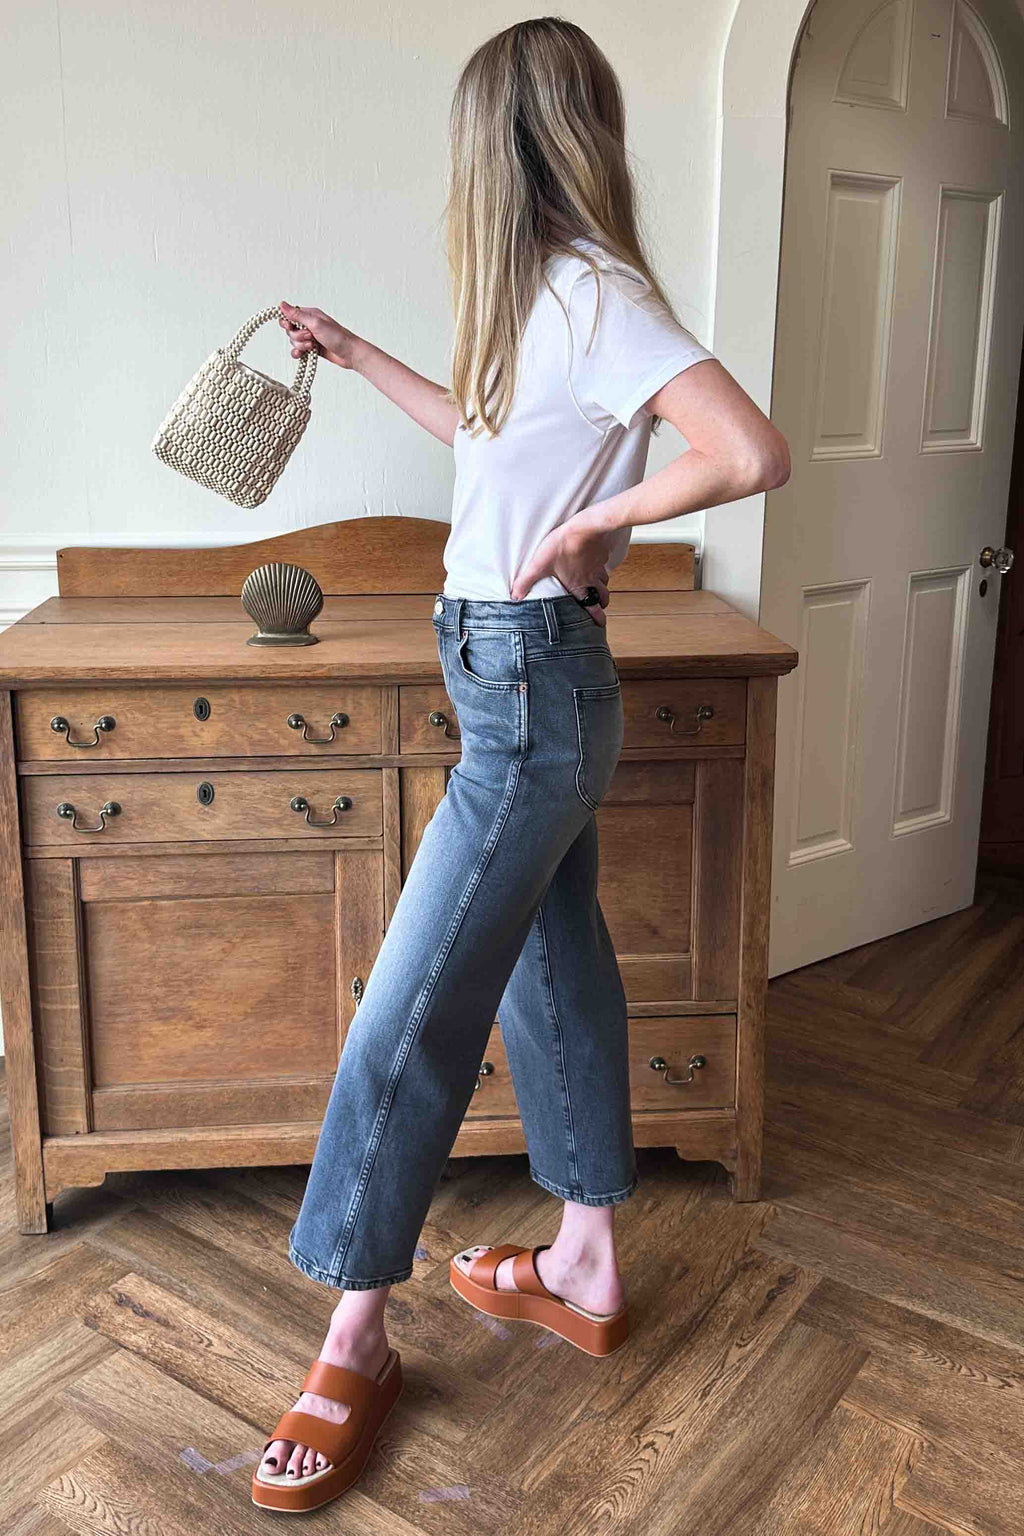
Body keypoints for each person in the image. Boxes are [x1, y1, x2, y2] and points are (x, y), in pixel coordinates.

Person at [251, 15, 790, 1516]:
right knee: (557, 964)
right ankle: (587, 1261)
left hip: (533, 682)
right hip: (511, 675)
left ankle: (353, 1336)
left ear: (502, 145)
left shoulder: (601, 293)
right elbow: (486, 439)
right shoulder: (536, 298)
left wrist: (592, 528)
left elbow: (747, 451)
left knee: (409, 1008)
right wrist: (358, 354)